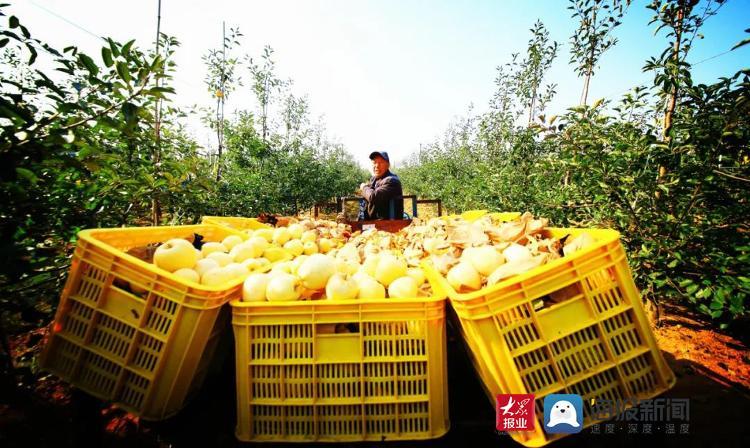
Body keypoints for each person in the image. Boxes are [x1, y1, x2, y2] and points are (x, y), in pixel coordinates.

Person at [359, 151, 404, 220]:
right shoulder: (374, 179)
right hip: (373, 222)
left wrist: (364, 187)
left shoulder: (392, 181)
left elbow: (373, 197)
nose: (377, 166)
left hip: (387, 224)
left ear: (388, 165)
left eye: (381, 162)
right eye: (374, 162)